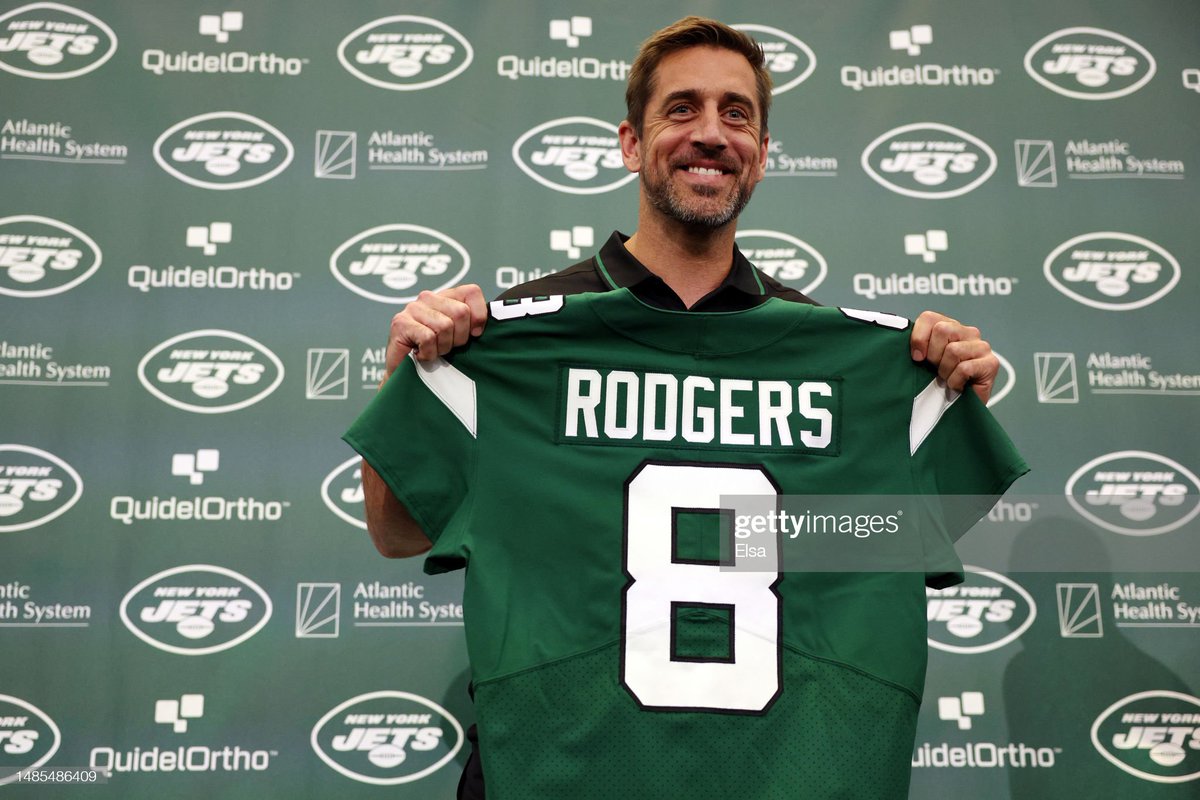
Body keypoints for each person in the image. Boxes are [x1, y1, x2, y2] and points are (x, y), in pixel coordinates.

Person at [349, 17, 1022, 799]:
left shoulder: (848, 365)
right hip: (555, 772)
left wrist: (941, 409)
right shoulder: (512, 340)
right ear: (631, 143)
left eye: (736, 114)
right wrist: (410, 374)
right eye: (681, 109)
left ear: (761, 153)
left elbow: (868, 539)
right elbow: (396, 533)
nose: (710, 133)